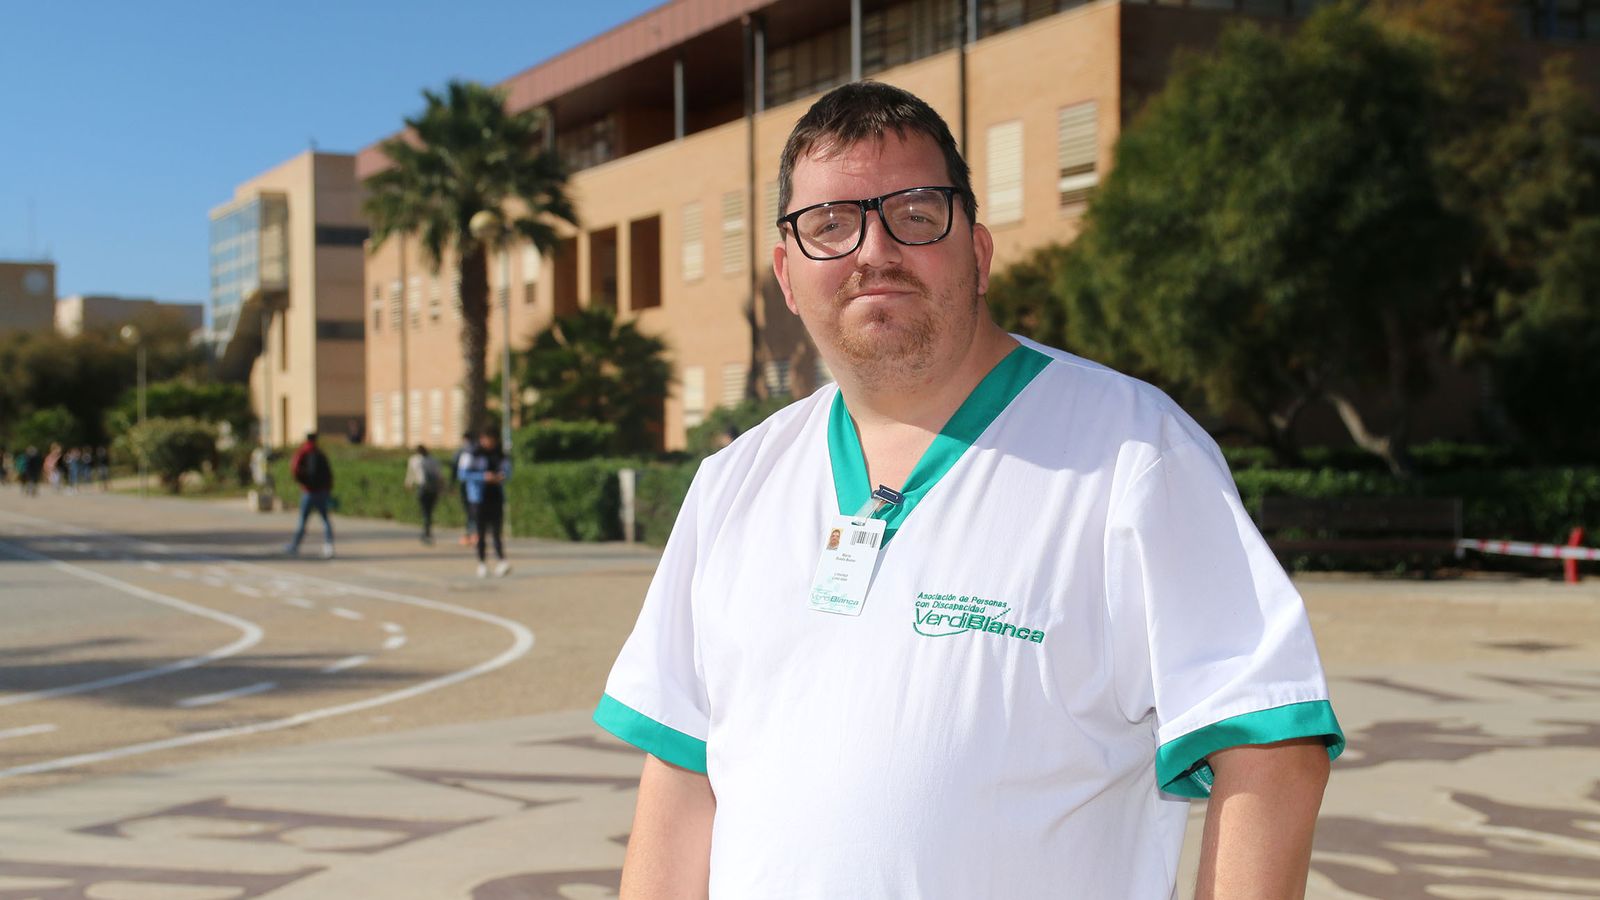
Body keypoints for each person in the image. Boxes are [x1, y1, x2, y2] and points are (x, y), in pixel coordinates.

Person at [593, 82, 1342, 899]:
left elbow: (1271, 752)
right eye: (830, 225)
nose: (873, 250)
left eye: (916, 212)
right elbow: (679, 782)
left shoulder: (1133, 453)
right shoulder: (734, 485)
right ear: (785, 272)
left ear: (978, 252)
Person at [457, 429, 510, 578]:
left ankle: (501, 560)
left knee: (497, 531)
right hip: (478, 498)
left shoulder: (500, 454)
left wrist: (501, 476)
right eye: (488, 439)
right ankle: (482, 563)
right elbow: (461, 474)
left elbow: (508, 471)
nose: (490, 443)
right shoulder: (472, 454)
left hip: (496, 496)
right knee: (480, 532)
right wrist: (482, 477)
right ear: (482, 439)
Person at [285, 432, 335, 559]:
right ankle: (329, 546)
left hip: (308, 492)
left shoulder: (303, 452)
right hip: (321, 492)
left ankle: (295, 546)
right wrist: (328, 489)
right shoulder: (320, 453)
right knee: (325, 520)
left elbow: (294, 468)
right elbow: (329, 473)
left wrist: (301, 481)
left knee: (302, 520)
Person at [404, 444, 443, 545]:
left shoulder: (415, 460)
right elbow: (439, 475)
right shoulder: (434, 460)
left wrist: (409, 483)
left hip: (423, 487)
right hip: (433, 488)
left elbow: (411, 474)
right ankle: (427, 531)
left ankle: (426, 532)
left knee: (426, 511)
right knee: (429, 511)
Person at [451, 432, 477, 546]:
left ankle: (471, 533)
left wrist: (451, 484)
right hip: (478, 486)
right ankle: (473, 533)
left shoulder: (461, 452)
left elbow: (454, 470)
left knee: (469, 510)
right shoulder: (479, 450)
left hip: (468, 485)